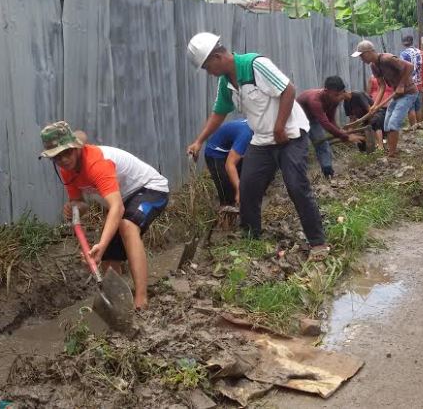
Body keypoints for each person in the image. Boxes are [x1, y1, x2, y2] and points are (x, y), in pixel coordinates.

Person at [184, 33, 330, 261]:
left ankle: (318, 243)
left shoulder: (255, 65)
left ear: (218, 56)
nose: (208, 72)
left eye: (206, 66)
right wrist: (199, 141)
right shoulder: (226, 83)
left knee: (296, 185)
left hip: (289, 135)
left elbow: (288, 90)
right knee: (248, 189)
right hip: (262, 140)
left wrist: (280, 127)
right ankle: (252, 238)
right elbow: (218, 114)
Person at [40, 121, 169, 309]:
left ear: (75, 148)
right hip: (123, 198)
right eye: (57, 157)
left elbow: (117, 207)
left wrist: (101, 243)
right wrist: (74, 206)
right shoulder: (67, 170)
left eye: (67, 152)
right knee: (109, 257)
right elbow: (81, 203)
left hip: (150, 188)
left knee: (126, 226)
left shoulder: (96, 163)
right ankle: (118, 306)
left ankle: (141, 300)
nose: (64, 160)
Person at [351, 40, 415, 158]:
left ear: (370, 52)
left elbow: (410, 67)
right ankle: (391, 151)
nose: (361, 59)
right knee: (386, 124)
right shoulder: (374, 66)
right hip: (397, 95)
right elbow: (381, 86)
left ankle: (392, 154)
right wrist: (375, 105)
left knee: (393, 123)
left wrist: (401, 85)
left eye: (362, 55)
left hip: (408, 92)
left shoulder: (387, 58)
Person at [297, 76, 365, 178]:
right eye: (335, 95)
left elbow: (331, 119)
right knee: (301, 148)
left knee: (322, 143)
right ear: (326, 91)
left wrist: (340, 131)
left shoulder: (335, 99)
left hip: (313, 119)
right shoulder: (314, 100)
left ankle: (328, 171)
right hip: (298, 120)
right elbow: (325, 123)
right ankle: (298, 176)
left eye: (340, 94)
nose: (338, 98)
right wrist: (345, 136)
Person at [203, 118, 253, 206]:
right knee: (227, 193)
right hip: (215, 153)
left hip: (230, 150)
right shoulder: (246, 134)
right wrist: (239, 190)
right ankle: (226, 214)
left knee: (242, 183)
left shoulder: (254, 124)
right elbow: (230, 164)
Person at [400, 35, 423, 124]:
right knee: (418, 106)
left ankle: (413, 127)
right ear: (412, 41)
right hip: (418, 83)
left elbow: (402, 70)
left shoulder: (404, 54)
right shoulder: (421, 53)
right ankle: (420, 126)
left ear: (403, 43)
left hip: (409, 84)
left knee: (410, 107)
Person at [366, 76, 393, 150]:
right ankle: (379, 144)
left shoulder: (391, 77)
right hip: (375, 106)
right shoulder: (372, 78)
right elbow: (368, 94)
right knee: (377, 122)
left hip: (388, 106)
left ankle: (386, 143)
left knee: (387, 124)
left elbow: (395, 91)